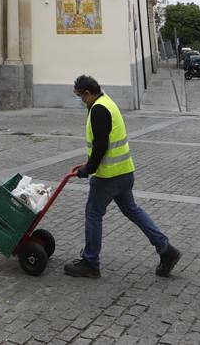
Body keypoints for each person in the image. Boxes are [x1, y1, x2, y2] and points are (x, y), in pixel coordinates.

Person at [64, 74, 181, 279]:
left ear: (89, 93)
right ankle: (166, 250)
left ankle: (90, 262)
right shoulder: (107, 102)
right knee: (133, 210)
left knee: (93, 213)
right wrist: (88, 165)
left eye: (81, 97)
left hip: (108, 176)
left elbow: (101, 145)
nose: (81, 101)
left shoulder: (99, 109)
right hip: (125, 172)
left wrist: (88, 168)